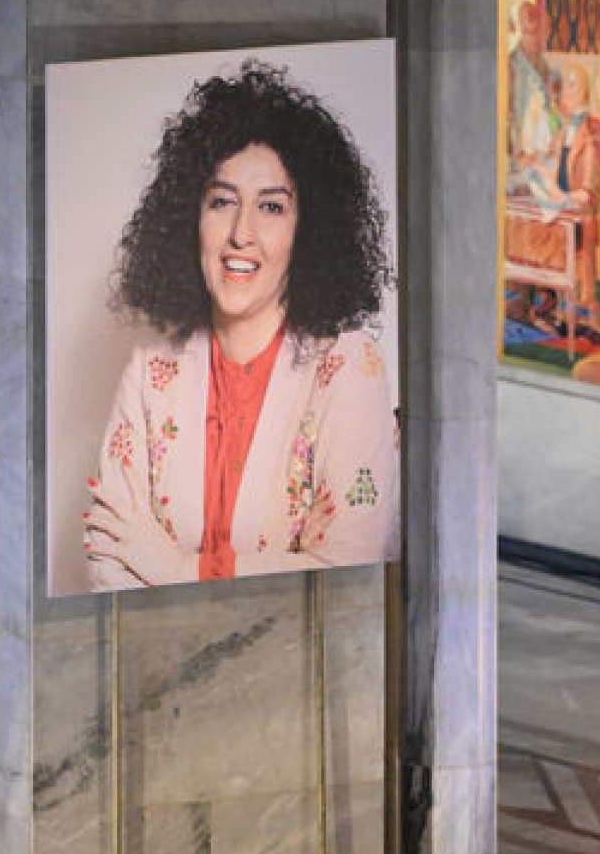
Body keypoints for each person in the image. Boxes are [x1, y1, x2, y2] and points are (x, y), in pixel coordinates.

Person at [83, 61, 398, 590]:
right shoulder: (149, 373)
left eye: (271, 207)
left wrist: (179, 568)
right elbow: (105, 561)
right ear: (191, 217)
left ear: (308, 231)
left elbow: (353, 566)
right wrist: (294, 558)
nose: (241, 235)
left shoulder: (347, 366)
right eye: (223, 201)